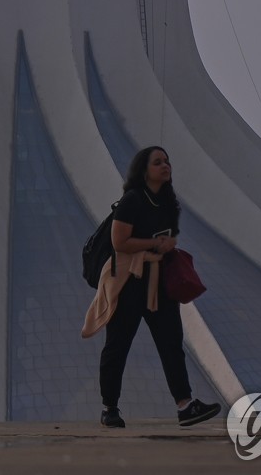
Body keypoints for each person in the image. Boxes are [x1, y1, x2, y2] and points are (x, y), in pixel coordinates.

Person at [98, 145, 221, 429]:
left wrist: (168, 244)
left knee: (171, 343)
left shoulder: (167, 202)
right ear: (145, 170)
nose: (165, 166)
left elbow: (168, 237)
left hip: (158, 281)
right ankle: (109, 407)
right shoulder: (131, 201)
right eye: (158, 162)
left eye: (167, 161)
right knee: (118, 345)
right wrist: (155, 243)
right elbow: (119, 242)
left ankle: (185, 405)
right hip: (129, 282)